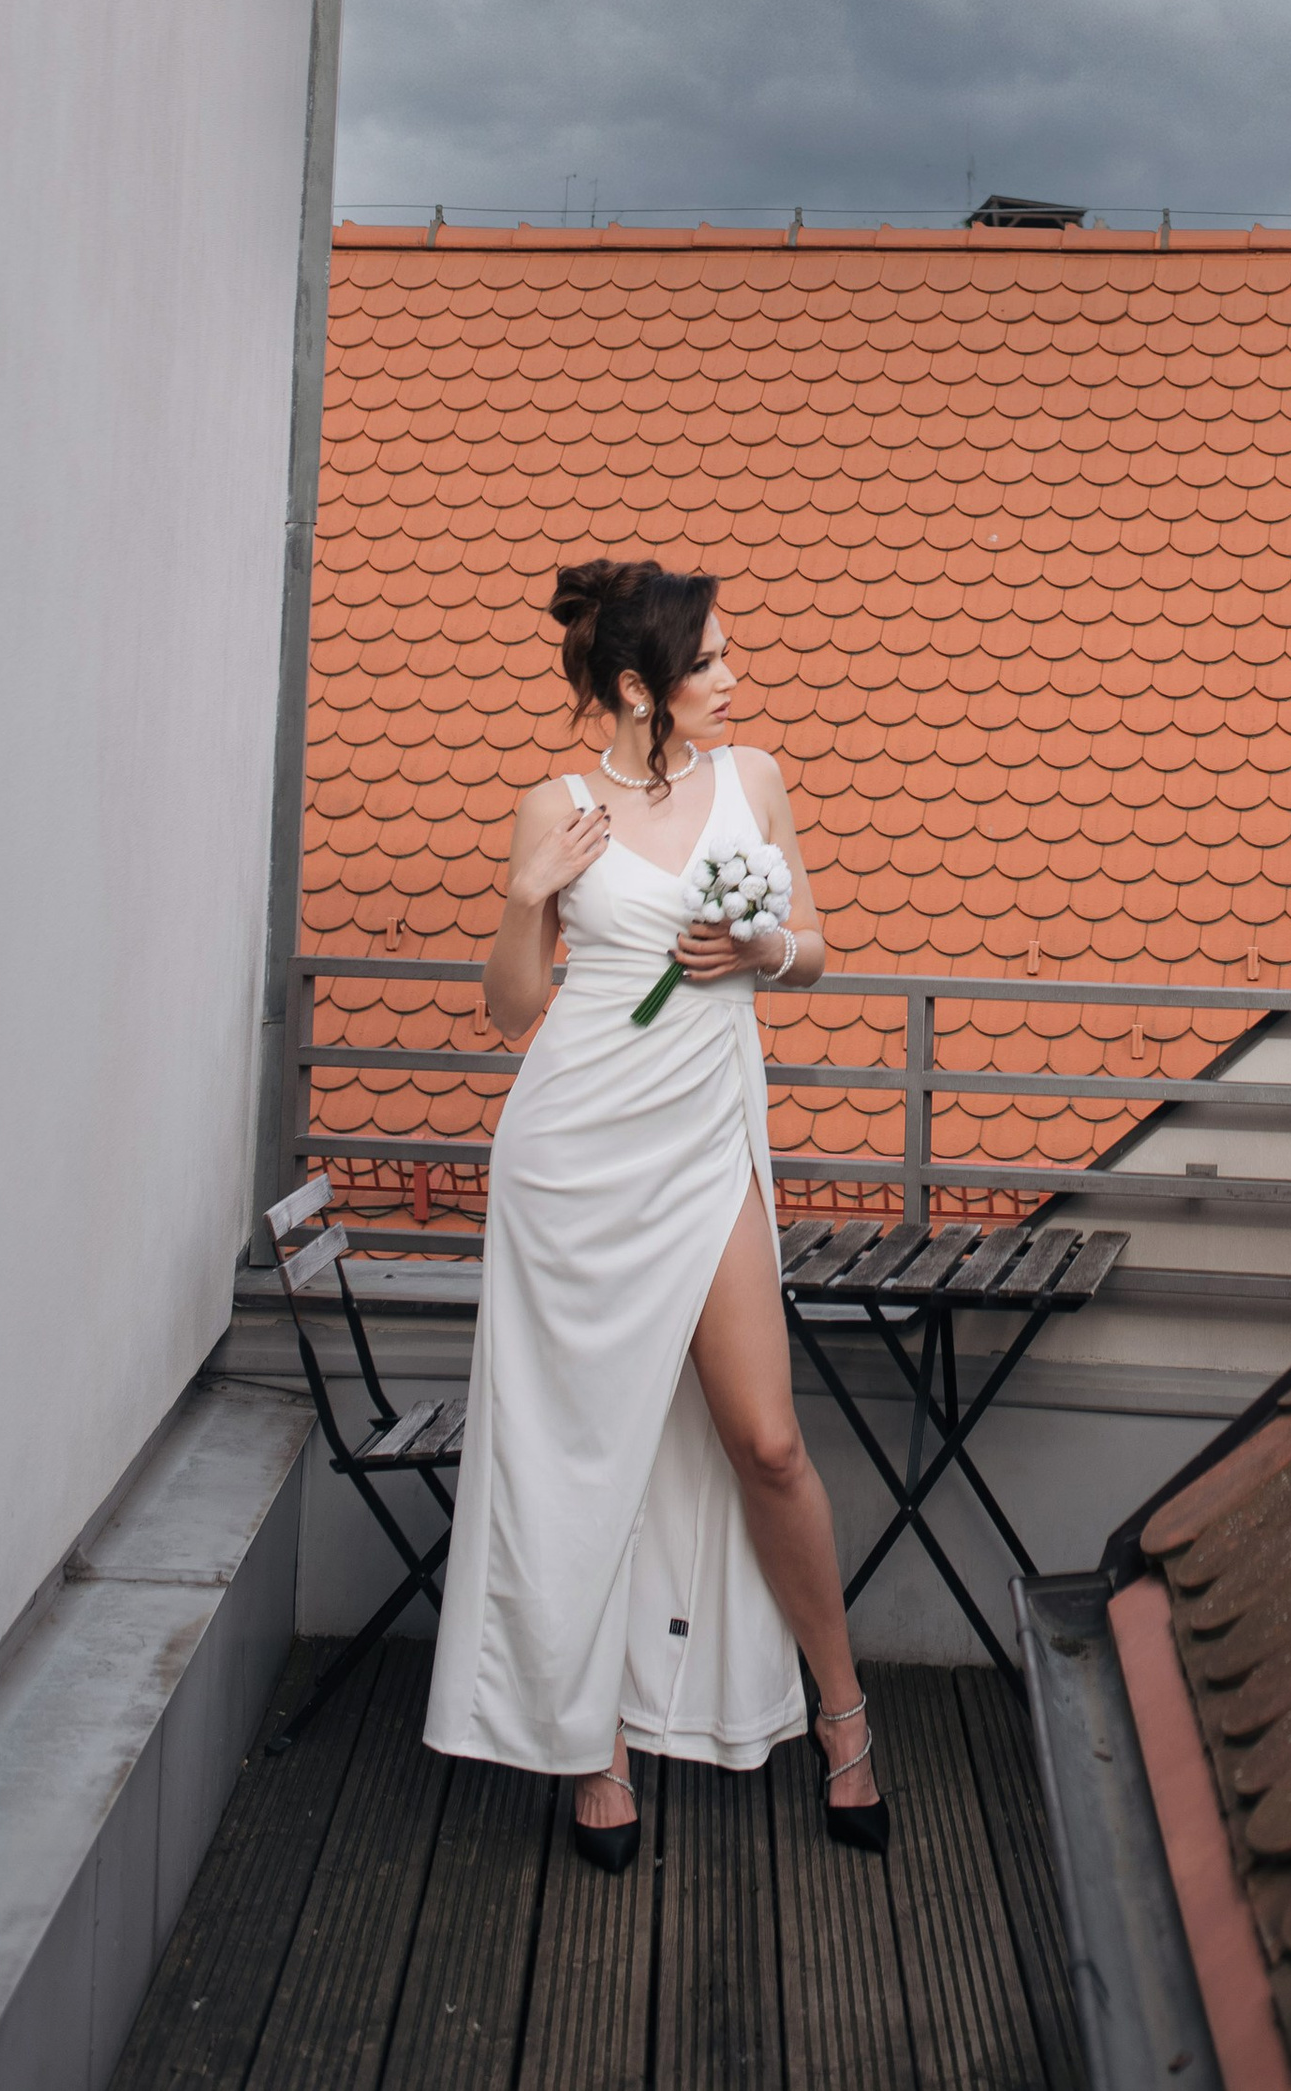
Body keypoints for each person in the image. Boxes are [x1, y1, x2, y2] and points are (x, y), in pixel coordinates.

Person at [423, 559, 886, 1866]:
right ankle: (594, 1751)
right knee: (586, 1460)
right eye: (714, 661)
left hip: (707, 1149)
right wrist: (527, 895)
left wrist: (758, 951)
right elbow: (515, 1012)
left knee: (768, 1441)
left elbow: (814, 948)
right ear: (640, 687)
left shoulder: (756, 782)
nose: (736, 677)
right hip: (574, 1165)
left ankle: (842, 1717)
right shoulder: (554, 808)